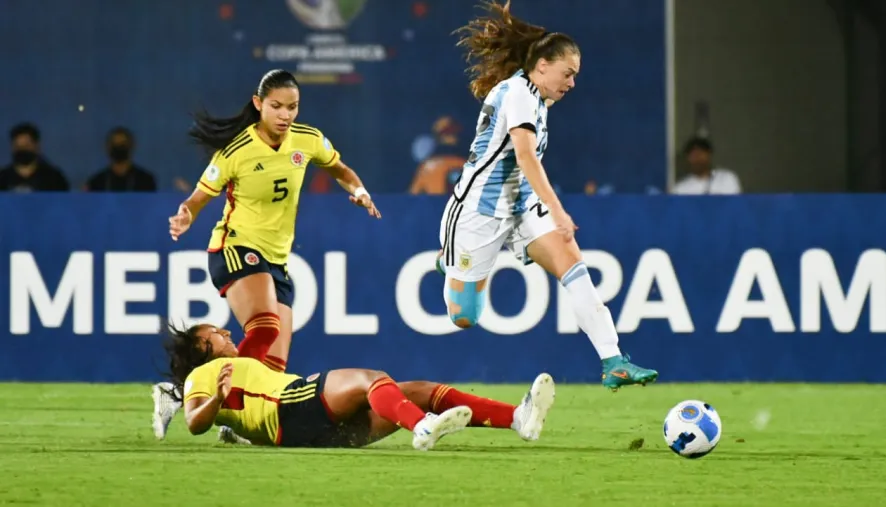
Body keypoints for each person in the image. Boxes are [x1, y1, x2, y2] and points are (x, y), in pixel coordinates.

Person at [436, 1, 658, 391]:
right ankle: (448, 259)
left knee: (574, 266)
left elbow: (525, 156)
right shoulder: (519, 93)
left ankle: (613, 360)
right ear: (541, 66)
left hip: (522, 205)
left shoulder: (538, 96)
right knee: (464, 317)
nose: (572, 83)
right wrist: (557, 209)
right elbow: (524, 155)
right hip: (479, 210)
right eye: (567, 73)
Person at [152, 69, 381, 437]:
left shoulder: (307, 140)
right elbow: (199, 197)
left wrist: (360, 191)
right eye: (276, 106)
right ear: (259, 104)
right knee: (265, 326)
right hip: (235, 247)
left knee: (273, 363)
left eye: (292, 107)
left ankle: (235, 421)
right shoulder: (236, 151)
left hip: (277, 258)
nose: (285, 115)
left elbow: (340, 168)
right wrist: (186, 216)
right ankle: (180, 394)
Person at [162, 322, 556, 450]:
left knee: (417, 390)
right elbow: (195, 422)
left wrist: (233, 427)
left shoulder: (234, 371)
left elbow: (233, 419)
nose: (226, 331)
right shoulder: (204, 375)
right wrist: (213, 398)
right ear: (202, 347)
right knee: (373, 380)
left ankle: (518, 418)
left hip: (310, 435)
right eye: (215, 332)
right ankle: (421, 427)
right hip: (292, 406)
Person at [0, 122, 69, 192]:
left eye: (26, 145)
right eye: (18, 146)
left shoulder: (54, 178)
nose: (22, 150)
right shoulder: (2, 178)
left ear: (37, 146)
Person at [84, 127, 157, 192]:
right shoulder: (97, 182)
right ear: (107, 148)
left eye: (122, 145)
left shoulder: (145, 180)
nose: (118, 148)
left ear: (132, 146)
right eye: (115, 144)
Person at [671, 137, 742, 195]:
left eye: (700, 154)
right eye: (693, 156)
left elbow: (736, 207)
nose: (697, 159)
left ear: (709, 155)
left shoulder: (727, 178)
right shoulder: (680, 189)